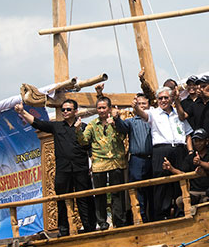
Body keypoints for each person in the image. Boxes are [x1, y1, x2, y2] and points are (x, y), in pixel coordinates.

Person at [15, 99, 91, 235]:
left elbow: (88, 146)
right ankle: (63, 229)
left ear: (75, 111)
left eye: (68, 109)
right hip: (63, 170)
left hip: (81, 169)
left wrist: (78, 130)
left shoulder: (84, 127)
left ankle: (89, 227)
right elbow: (37, 123)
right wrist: (22, 112)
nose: (65, 112)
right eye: (63, 110)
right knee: (61, 200)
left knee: (84, 199)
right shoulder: (57, 126)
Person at [134, 87, 190, 220]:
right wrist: (136, 108)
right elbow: (143, 115)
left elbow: (187, 132)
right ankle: (161, 215)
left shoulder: (178, 113)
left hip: (179, 148)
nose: (163, 100)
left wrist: (190, 151)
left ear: (171, 99)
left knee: (179, 180)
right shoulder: (153, 113)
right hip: (161, 149)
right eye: (160, 98)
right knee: (162, 183)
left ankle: (180, 211)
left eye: (166, 98)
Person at [83, 95, 130, 229]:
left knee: (117, 193)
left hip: (116, 161)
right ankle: (102, 222)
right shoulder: (92, 124)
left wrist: (116, 121)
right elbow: (84, 141)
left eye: (104, 107)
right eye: (99, 108)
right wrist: (77, 130)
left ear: (109, 108)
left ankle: (119, 220)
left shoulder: (116, 121)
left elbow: (123, 134)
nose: (102, 110)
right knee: (100, 194)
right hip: (99, 163)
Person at [113, 93, 154, 223]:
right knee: (137, 190)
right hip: (137, 159)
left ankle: (154, 216)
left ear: (149, 105)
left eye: (144, 104)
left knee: (153, 189)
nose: (141, 106)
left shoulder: (154, 120)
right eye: (139, 104)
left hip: (152, 158)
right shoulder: (131, 121)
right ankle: (141, 217)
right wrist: (117, 118)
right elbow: (121, 128)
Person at [163, 129, 209, 205]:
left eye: (200, 141)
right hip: (194, 192)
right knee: (180, 201)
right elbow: (183, 173)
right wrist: (171, 168)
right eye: (195, 141)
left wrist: (200, 163)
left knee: (206, 202)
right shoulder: (190, 157)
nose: (198, 143)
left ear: (206, 141)